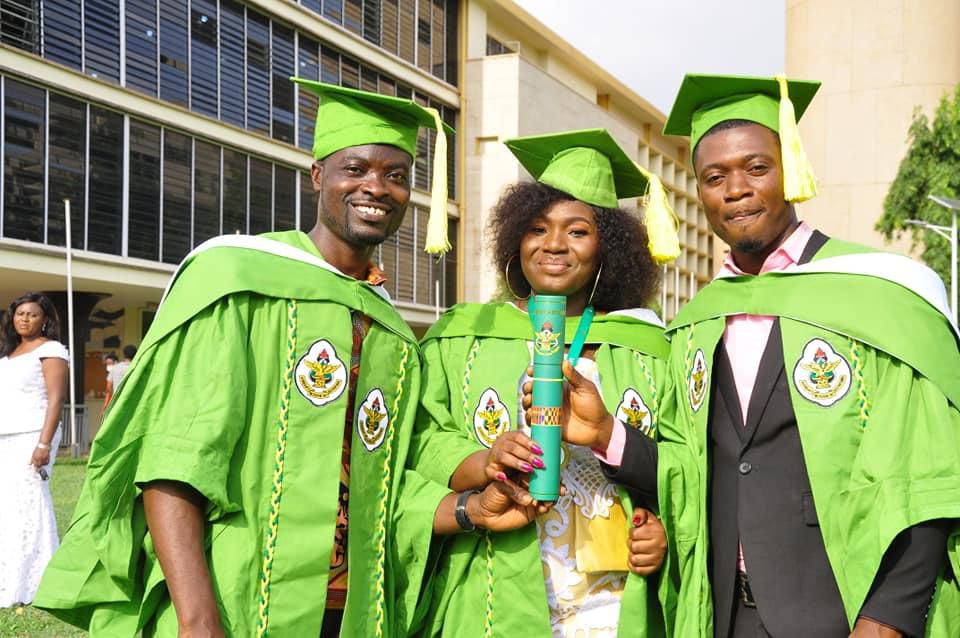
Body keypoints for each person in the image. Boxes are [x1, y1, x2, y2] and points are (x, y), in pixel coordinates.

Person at [35, 80, 546, 637]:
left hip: (355, 611)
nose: (377, 187)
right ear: (318, 176)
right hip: (239, 599)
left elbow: (387, 483)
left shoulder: (391, 331)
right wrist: (198, 618)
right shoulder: (237, 280)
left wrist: (473, 504)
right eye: (356, 169)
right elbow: (175, 459)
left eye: (396, 176)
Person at [532, 74, 960, 637]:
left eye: (756, 168)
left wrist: (887, 619)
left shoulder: (878, 296)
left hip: (846, 612)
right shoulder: (696, 323)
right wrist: (606, 433)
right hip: (725, 616)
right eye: (714, 177)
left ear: (793, 173)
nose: (735, 189)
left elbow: (928, 471)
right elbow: (692, 473)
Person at [412, 129, 679, 637]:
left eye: (577, 232)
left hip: (615, 593)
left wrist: (662, 530)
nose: (554, 244)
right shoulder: (463, 335)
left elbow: (688, 463)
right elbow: (421, 437)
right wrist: (483, 460)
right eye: (538, 229)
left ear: (608, 249)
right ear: (517, 239)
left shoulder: (649, 347)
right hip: (495, 580)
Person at [0, 292, 68, 607]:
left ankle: (35, 580)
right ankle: (8, 575)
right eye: (20, 314)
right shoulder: (8, 354)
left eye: (32, 314)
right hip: (6, 435)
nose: (25, 319)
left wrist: (43, 443)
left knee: (30, 503)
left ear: (44, 320)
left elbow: (56, 400)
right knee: (7, 506)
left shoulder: (52, 350)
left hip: (33, 434)